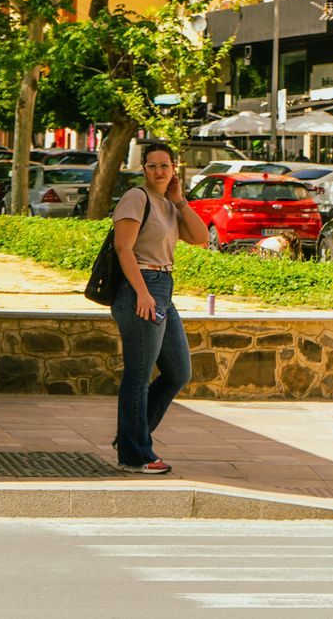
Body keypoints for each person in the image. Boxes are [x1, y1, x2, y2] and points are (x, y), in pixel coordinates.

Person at [110, 143, 210, 474]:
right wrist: (142, 293)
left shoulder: (168, 204)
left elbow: (200, 238)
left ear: (173, 169)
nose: (159, 172)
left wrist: (180, 199)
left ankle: (131, 435)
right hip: (141, 286)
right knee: (139, 375)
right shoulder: (136, 199)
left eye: (164, 165)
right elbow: (123, 247)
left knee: (179, 371)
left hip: (164, 288)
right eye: (152, 166)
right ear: (144, 170)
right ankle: (135, 454)